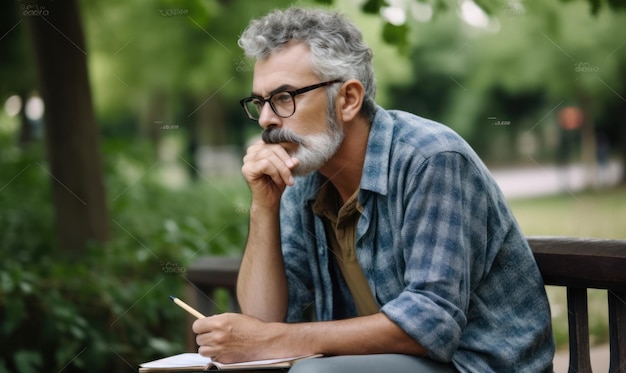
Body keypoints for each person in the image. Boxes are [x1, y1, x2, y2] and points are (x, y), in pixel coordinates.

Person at [192, 7, 555, 373]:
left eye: (284, 97)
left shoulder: (431, 159)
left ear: (348, 99)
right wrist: (263, 208)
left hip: (474, 364)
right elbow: (263, 324)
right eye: (260, 102)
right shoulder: (302, 180)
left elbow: (428, 325)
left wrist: (278, 339)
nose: (267, 118)